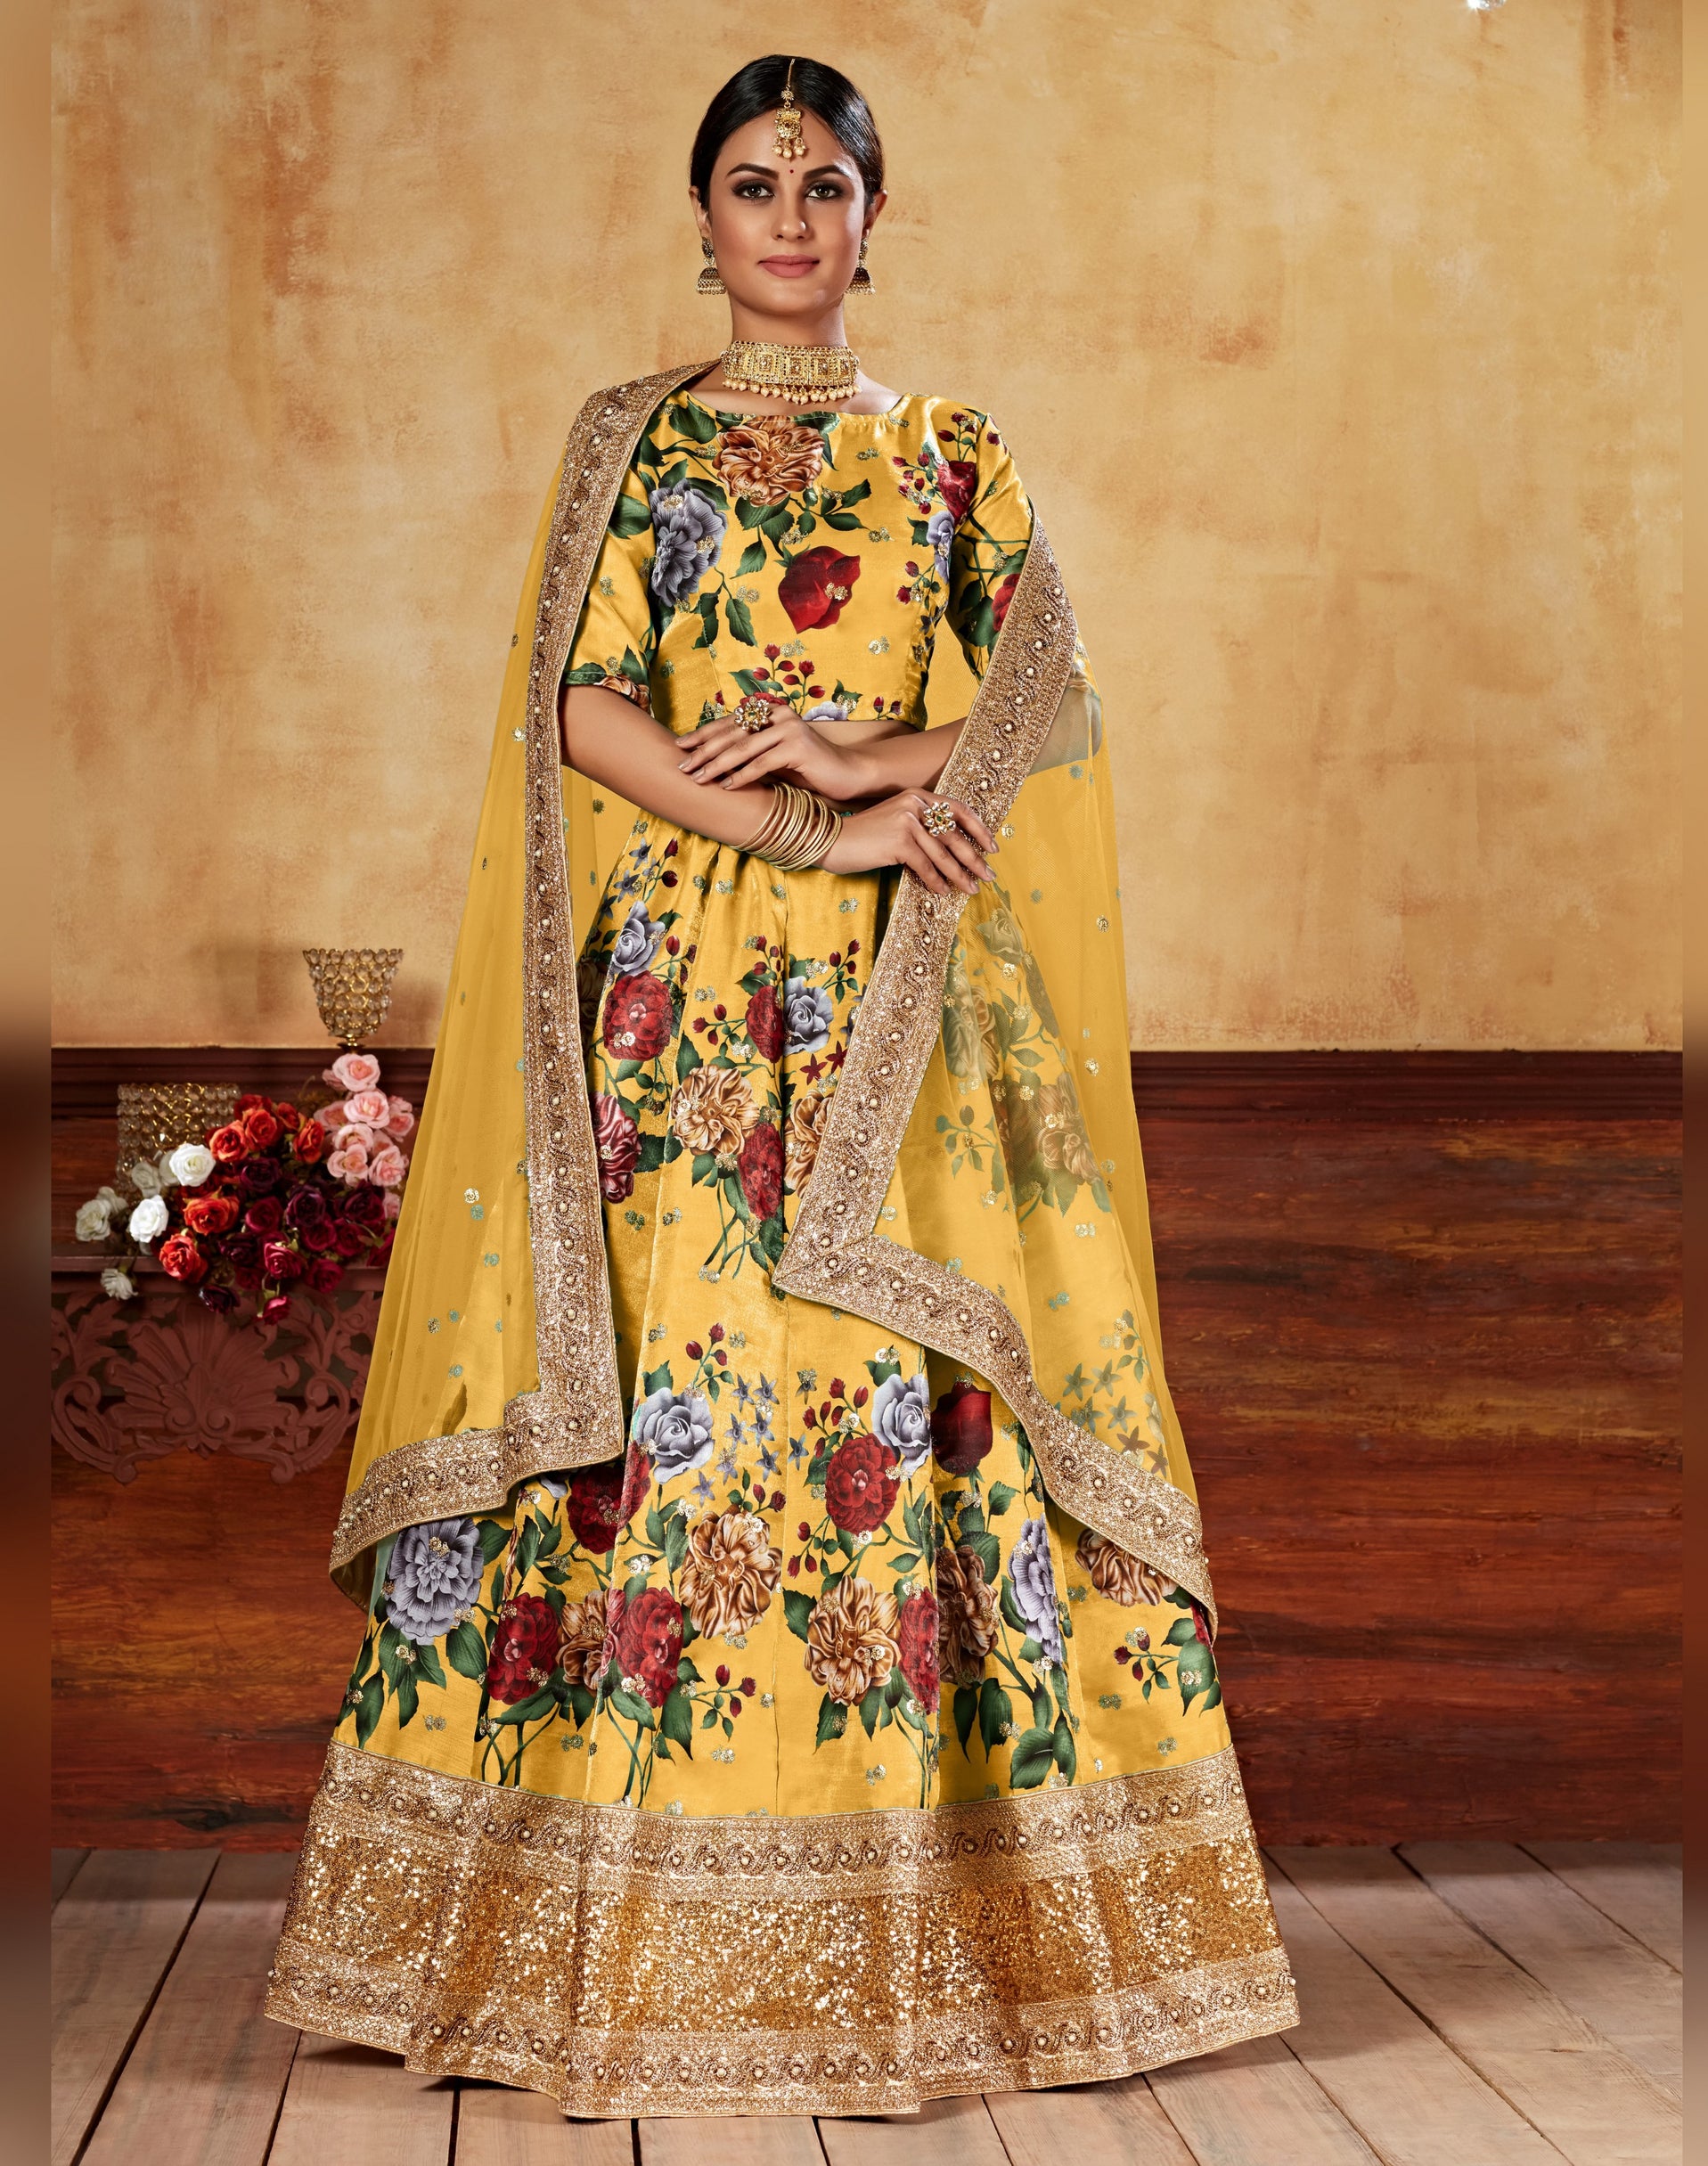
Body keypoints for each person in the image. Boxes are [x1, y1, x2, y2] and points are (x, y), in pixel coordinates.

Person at [266, 53, 1295, 2119]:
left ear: (873, 213)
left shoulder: (948, 451)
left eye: (825, 186)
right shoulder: (629, 440)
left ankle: (973, 1946)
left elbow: (1047, 705)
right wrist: (803, 825)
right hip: (675, 1013)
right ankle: (583, 1934)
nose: (792, 220)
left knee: (906, 1403)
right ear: (704, 215)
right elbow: (580, 705)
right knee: (664, 1401)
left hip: (909, 1008)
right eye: (755, 185)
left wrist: (859, 759)